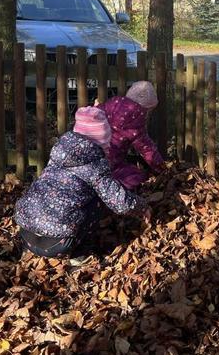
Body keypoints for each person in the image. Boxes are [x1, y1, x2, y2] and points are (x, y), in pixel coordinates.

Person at [15, 106, 150, 262]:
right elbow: (120, 203)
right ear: (101, 141)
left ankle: (27, 251)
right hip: (57, 245)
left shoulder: (59, 152)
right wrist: (143, 207)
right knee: (97, 200)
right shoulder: (95, 164)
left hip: (25, 233)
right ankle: (79, 255)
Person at [97, 81, 165, 190]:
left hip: (91, 156)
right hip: (109, 162)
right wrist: (161, 167)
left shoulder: (112, 102)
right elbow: (147, 148)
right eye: (148, 111)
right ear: (144, 108)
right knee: (136, 176)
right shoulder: (136, 119)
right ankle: (110, 185)